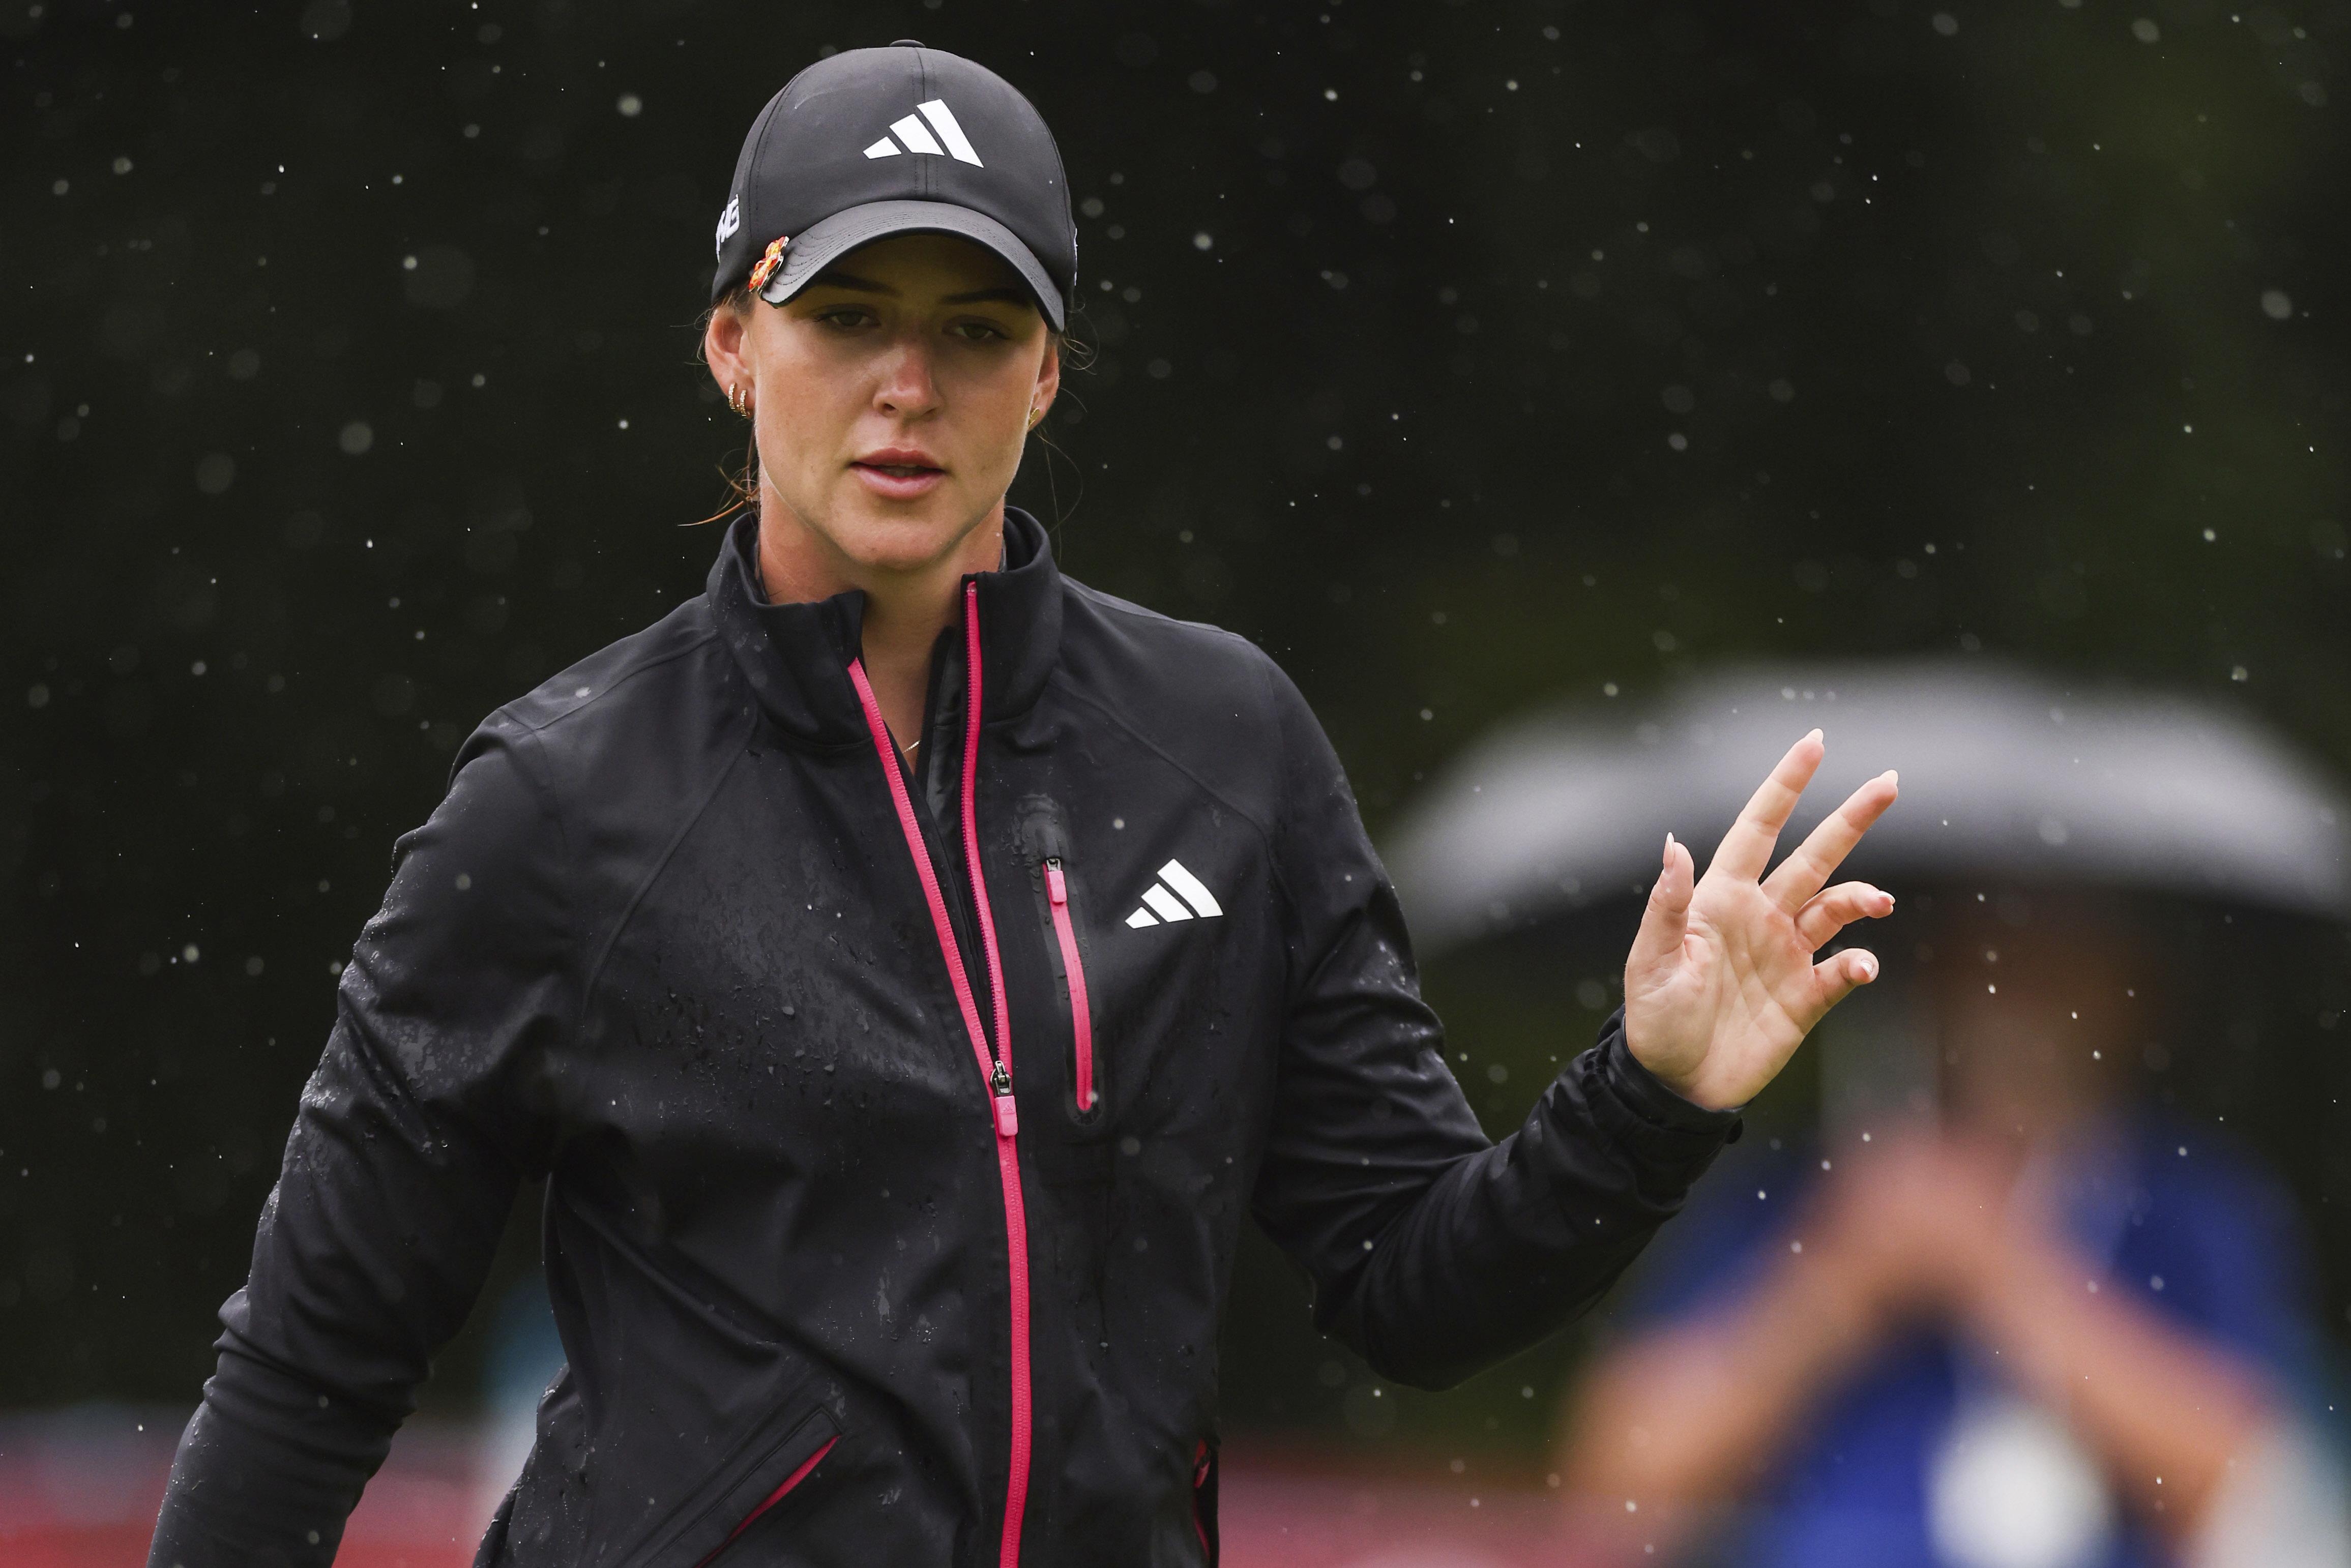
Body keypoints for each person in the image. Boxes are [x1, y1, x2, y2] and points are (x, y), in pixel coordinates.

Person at [145, 43, 1897, 1567]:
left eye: (974, 330)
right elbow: (311, 1364)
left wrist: (1648, 1095)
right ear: (733, 344)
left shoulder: (1225, 747)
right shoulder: (555, 802)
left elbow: (1410, 1285)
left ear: (1047, 374)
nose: (908, 386)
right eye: (847, 318)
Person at [1553, 890, 2348, 1568]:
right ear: (1926, 980)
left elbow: (2248, 1484)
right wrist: (1833, 1285)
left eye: (2059, 958)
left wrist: (1999, 1273)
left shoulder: (2197, 1205)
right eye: (1986, 954)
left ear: (2134, 987)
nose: (2019, 991)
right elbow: (1616, 1483)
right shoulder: (1791, 1188)